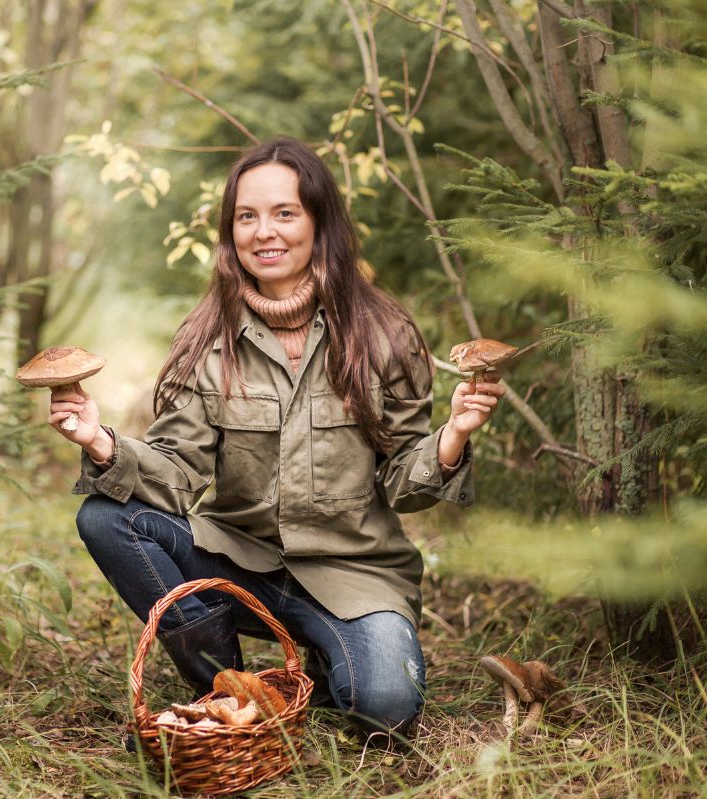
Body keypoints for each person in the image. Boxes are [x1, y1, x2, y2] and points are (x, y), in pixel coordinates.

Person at [48, 137, 505, 737]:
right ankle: (229, 690)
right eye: (247, 216)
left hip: (354, 577)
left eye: (284, 213)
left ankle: (327, 654)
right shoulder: (205, 340)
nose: (265, 232)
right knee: (106, 518)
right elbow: (177, 470)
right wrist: (100, 443)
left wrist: (453, 435)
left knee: (386, 710)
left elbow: (405, 487)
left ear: (320, 223)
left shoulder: (384, 334)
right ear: (230, 231)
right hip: (242, 562)